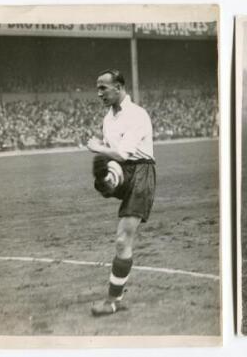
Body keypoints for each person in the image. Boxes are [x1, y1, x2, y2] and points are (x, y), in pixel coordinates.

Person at [87, 69, 156, 316]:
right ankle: (106, 181)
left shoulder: (137, 115)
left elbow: (124, 154)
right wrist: (102, 151)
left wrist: (97, 148)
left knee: (122, 239)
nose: (99, 93)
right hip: (123, 170)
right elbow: (114, 153)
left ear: (118, 87)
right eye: (97, 88)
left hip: (141, 173)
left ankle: (112, 301)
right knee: (106, 176)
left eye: (103, 88)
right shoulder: (108, 118)